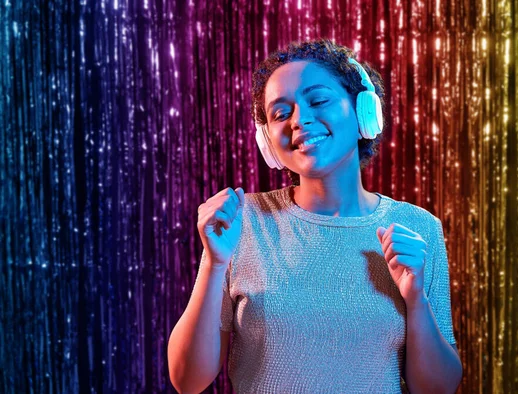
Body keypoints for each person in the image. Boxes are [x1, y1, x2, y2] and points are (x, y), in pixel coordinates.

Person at [168, 38, 463, 393]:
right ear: (268, 142)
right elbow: (187, 381)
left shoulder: (418, 228)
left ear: (364, 113)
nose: (300, 120)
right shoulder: (240, 223)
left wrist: (416, 298)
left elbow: (438, 388)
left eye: (318, 100)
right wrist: (214, 265)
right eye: (280, 113)